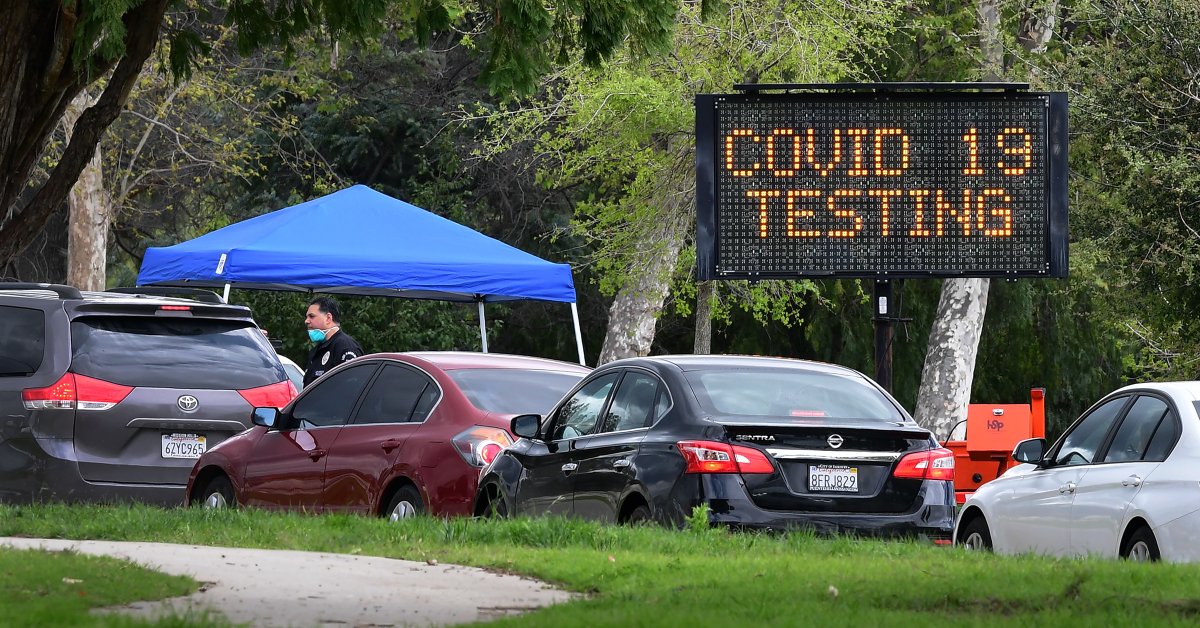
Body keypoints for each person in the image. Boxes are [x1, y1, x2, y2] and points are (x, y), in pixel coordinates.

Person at [302, 296, 364, 386]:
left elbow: (352, 388)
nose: (306, 321)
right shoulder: (317, 350)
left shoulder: (345, 346)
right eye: (307, 317)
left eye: (311, 316)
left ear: (328, 318)